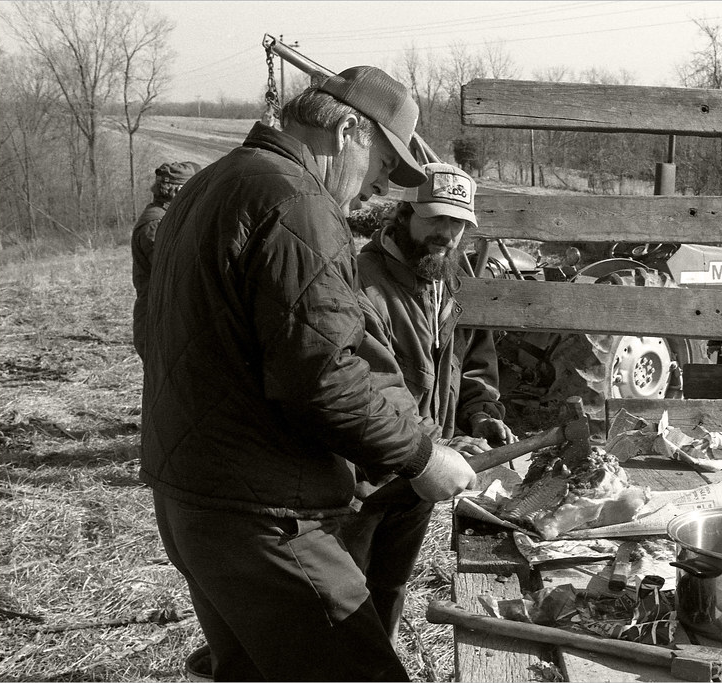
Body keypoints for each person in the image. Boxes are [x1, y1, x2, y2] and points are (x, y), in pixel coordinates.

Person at [139, 67, 476, 682]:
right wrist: (423, 458)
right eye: (378, 169)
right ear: (349, 129)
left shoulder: (210, 184)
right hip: (262, 516)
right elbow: (322, 376)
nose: (373, 191)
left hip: (191, 496)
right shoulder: (297, 201)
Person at [346, 162, 517, 642]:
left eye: (460, 223)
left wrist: (482, 415)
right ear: (404, 213)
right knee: (344, 599)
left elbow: (474, 362)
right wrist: (439, 447)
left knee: (391, 588)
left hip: (422, 475)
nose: (448, 233)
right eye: (436, 219)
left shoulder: (449, 278)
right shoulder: (364, 287)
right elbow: (374, 389)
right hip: (366, 478)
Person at [130, 161, 200, 361]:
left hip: (167, 320)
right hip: (158, 323)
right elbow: (175, 273)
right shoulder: (157, 224)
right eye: (192, 189)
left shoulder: (169, 218)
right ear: (178, 191)